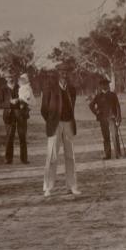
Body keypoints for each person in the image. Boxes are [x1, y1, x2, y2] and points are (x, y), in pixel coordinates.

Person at [41, 62, 80, 197]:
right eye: (62, 72)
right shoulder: (49, 88)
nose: (64, 74)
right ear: (58, 73)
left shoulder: (72, 89)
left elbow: (71, 107)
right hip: (55, 125)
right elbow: (44, 110)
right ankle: (48, 187)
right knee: (52, 156)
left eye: (66, 72)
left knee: (70, 156)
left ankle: (72, 186)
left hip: (68, 123)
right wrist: (52, 122)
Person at [0, 75, 28, 165]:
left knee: (22, 137)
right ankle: (8, 159)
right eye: (8, 77)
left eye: (12, 76)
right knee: (10, 137)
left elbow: (26, 100)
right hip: (9, 116)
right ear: (5, 78)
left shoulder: (20, 87)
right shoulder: (3, 89)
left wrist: (21, 103)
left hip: (21, 115)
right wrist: (9, 103)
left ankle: (24, 159)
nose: (10, 78)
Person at [89, 78, 122, 159]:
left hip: (112, 118)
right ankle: (107, 155)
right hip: (103, 119)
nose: (104, 86)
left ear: (108, 85)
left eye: (106, 84)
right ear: (100, 86)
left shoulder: (113, 95)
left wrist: (118, 117)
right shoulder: (98, 96)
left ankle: (118, 154)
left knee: (115, 136)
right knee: (106, 137)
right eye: (103, 84)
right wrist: (96, 112)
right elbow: (91, 105)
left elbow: (118, 106)